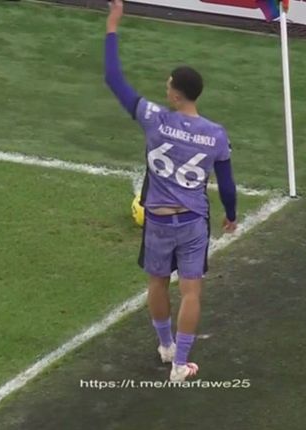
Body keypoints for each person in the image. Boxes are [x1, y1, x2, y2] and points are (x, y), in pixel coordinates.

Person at [103, 0, 238, 382]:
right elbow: (227, 183)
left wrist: (112, 26)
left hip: (158, 221)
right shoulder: (216, 134)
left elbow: (113, 78)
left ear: (177, 95)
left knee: (157, 282)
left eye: (168, 85)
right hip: (193, 222)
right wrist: (231, 214)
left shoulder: (154, 118)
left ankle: (165, 347)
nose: (165, 89)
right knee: (191, 292)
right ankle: (181, 364)